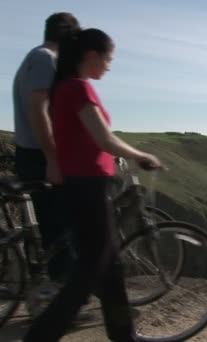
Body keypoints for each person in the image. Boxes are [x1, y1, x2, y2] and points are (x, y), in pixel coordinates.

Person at [23, 28, 161, 342]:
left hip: (84, 181)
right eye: (108, 58)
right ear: (91, 55)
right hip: (87, 183)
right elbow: (103, 138)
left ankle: (123, 335)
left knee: (109, 266)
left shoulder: (66, 88)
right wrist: (140, 156)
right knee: (89, 271)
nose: (109, 66)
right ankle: (40, 336)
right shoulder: (78, 89)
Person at [12, 12, 80, 282]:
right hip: (38, 156)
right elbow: (38, 110)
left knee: (57, 225)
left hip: (35, 153)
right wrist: (52, 157)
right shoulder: (45, 59)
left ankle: (59, 291)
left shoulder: (36, 57)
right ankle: (63, 299)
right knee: (60, 226)